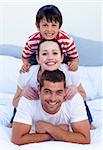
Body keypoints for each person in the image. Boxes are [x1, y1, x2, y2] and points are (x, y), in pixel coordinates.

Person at [9, 39, 86, 127]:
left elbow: (84, 96)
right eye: (44, 54)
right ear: (38, 58)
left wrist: (76, 90)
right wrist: (23, 94)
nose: (50, 57)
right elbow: (14, 103)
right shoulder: (27, 73)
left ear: (61, 57)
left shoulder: (70, 72)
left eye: (55, 53)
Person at [12, 69, 90, 145]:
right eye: (47, 92)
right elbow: (17, 139)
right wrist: (58, 131)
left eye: (59, 92)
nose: (53, 99)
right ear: (39, 90)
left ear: (65, 91)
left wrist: (49, 128)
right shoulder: (28, 98)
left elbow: (85, 138)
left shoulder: (74, 99)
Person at [21, 4, 79, 73]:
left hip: (60, 60)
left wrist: (74, 63)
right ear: (37, 26)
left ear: (59, 26)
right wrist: (25, 64)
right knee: (28, 70)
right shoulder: (32, 41)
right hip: (39, 60)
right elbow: (25, 56)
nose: (49, 29)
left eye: (54, 25)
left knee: (68, 69)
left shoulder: (67, 40)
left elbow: (74, 57)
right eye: (45, 25)